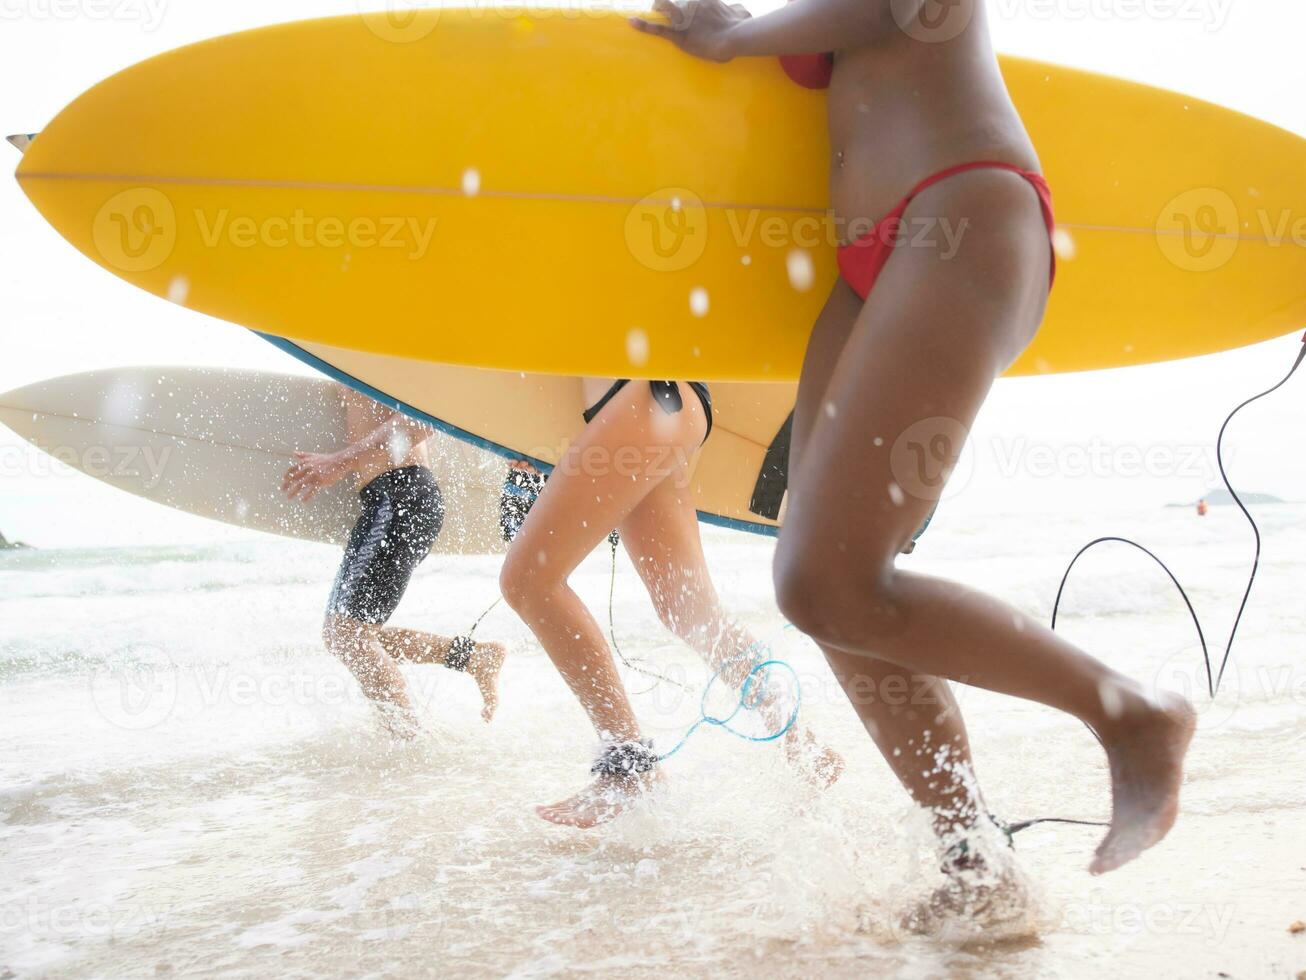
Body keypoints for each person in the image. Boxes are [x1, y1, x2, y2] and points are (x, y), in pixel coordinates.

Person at [632, 0, 1196, 905]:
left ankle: (1134, 714)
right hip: (869, 263)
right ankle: (973, 860)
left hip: (959, 209)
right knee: (827, 592)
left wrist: (738, 38)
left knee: (825, 580)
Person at [498, 378, 843, 828]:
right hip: (656, 406)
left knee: (529, 582)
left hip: (644, 401)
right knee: (687, 608)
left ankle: (628, 770)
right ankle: (800, 738)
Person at [282, 388, 506, 737]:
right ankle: (472, 656)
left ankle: (406, 742)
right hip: (391, 498)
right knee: (349, 635)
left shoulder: (383, 350)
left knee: (348, 636)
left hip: (401, 496)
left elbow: (422, 419)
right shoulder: (350, 353)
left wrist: (339, 462)